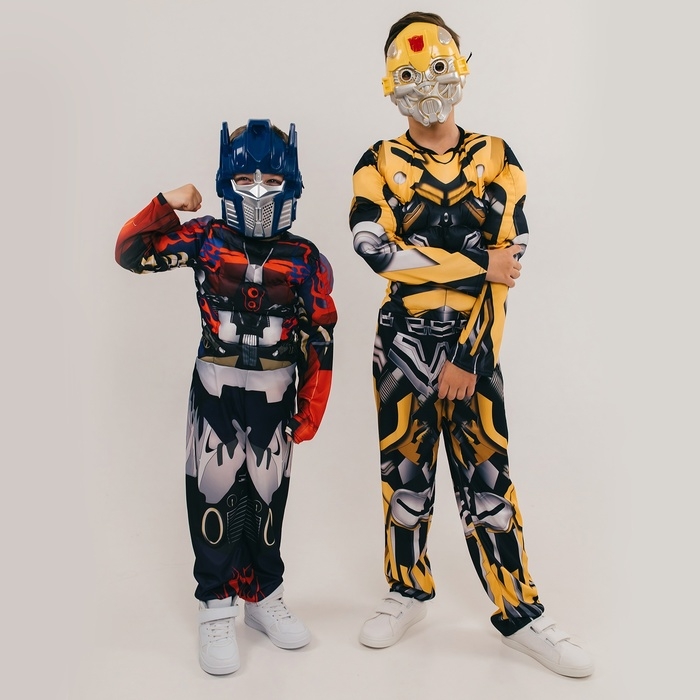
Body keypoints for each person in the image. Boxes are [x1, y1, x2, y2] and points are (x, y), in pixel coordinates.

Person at [349, 12, 593, 678]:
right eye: (409, 69)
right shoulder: (377, 162)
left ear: (458, 65)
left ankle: (521, 613)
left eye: (437, 64)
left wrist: (469, 356)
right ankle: (407, 590)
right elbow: (377, 252)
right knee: (403, 480)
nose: (426, 83)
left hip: (472, 348)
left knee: (489, 483)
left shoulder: (497, 157)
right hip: (400, 346)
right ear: (391, 78)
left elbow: (508, 269)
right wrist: (477, 262)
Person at [115, 119, 337, 675]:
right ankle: (215, 607)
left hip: (276, 392)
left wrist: (312, 406)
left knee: (268, 498)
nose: (258, 193)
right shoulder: (205, 239)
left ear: (291, 184)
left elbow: (321, 334)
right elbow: (129, 251)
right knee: (212, 495)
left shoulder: (306, 258)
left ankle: (263, 596)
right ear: (225, 181)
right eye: (245, 180)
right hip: (214, 387)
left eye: (270, 181)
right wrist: (166, 203)